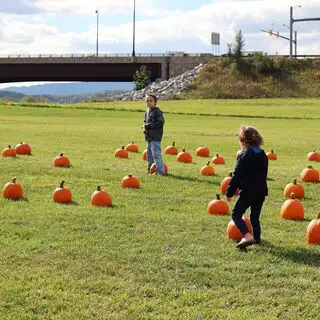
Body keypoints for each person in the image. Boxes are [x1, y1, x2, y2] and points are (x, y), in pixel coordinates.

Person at [226, 126, 268, 249]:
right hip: (261, 191)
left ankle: (247, 235)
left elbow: (237, 175)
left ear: (243, 141)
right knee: (255, 218)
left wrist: (230, 192)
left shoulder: (245, 155)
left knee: (236, 214)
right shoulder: (263, 154)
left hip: (249, 191)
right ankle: (257, 241)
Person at [142, 94, 166, 175]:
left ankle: (160, 171)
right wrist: (144, 127)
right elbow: (145, 122)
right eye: (147, 101)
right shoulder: (147, 111)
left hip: (156, 136)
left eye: (151, 101)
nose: (149, 102)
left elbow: (160, 123)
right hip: (149, 137)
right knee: (149, 154)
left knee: (156, 154)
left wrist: (148, 125)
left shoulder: (157, 111)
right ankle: (150, 169)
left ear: (155, 102)